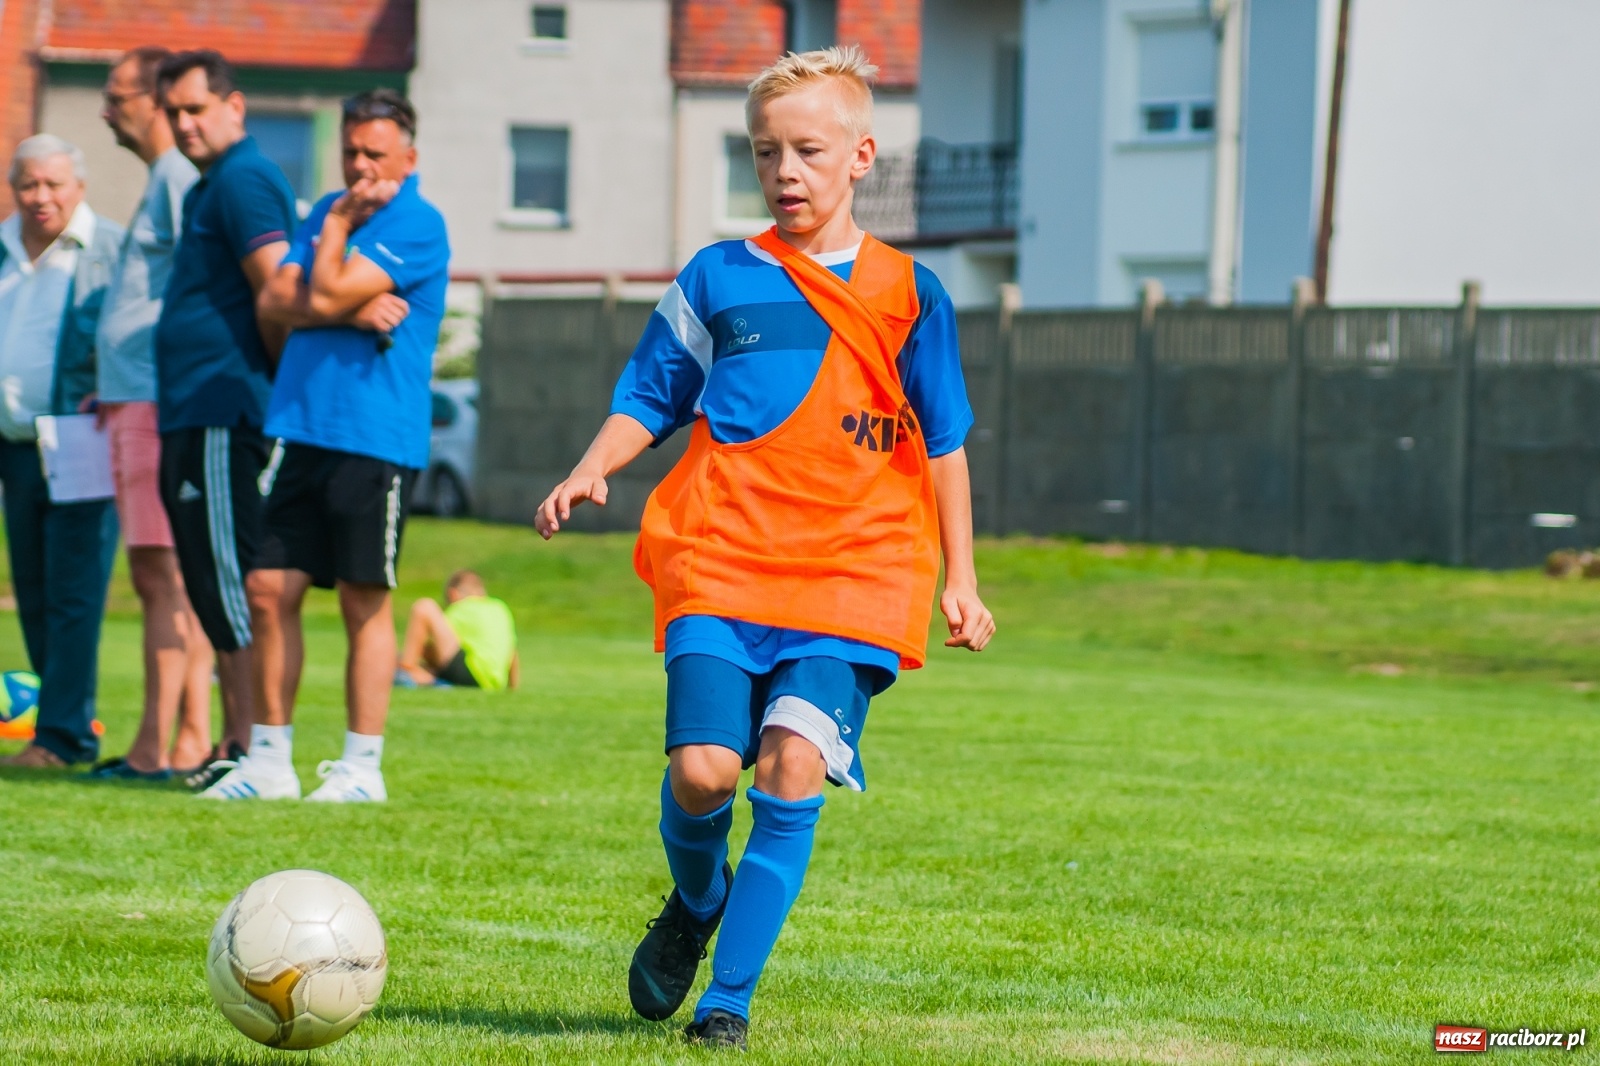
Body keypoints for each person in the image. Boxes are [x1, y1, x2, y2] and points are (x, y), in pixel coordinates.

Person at [533, 47, 996, 1050]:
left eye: (808, 151)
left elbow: (947, 440)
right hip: (722, 556)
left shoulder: (912, 294)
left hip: (857, 573)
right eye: (765, 152)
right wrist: (591, 465)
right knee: (703, 773)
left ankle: (727, 1002)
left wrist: (960, 577)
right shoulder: (717, 275)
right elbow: (650, 391)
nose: (785, 172)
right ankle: (697, 903)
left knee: (789, 765)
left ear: (860, 155)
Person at [199, 89, 449, 803]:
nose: (361, 168)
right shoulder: (327, 210)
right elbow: (273, 301)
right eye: (350, 154)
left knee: (363, 600)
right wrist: (342, 298)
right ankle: (269, 761)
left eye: (375, 154)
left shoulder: (418, 223)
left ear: (409, 157)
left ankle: (361, 770)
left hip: (373, 437)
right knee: (268, 589)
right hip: (300, 427)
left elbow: (322, 284)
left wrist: (333, 261)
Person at [151, 49, 297, 793]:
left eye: (195, 108)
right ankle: (235, 739)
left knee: (230, 577)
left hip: (223, 408)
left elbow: (275, 291)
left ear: (233, 107)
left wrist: (266, 388)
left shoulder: (245, 178)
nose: (183, 124)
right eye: (172, 112)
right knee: (207, 579)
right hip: (189, 408)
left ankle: (248, 744)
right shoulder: (205, 187)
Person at [83, 46, 214, 782]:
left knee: (161, 575)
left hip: (155, 402)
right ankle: (181, 736)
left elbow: (196, 281)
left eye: (118, 96)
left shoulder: (176, 176)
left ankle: (160, 746)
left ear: (158, 100)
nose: (108, 109)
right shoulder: (165, 179)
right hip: (134, 396)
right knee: (168, 576)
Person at [0, 136, 125, 769]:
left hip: (82, 443)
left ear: (78, 186)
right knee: (35, 589)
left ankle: (63, 736)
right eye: (29, 185)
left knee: (76, 592)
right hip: (14, 446)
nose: (41, 197)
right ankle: (63, 724)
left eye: (53, 184)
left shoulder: (111, 249)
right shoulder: (1, 248)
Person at [396, 570, 519, 690]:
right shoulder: (500, 608)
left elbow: (435, 646)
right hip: (494, 684)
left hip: (472, 674)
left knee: (424, 607)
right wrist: (512, 688)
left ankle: (407, 671)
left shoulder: (462, 607)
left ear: (453, 594)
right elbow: (512, 652)